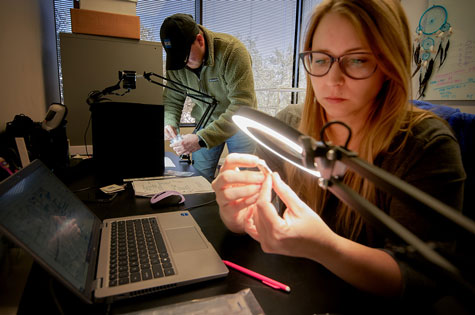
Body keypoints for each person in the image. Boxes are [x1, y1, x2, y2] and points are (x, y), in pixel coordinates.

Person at [212, 0, 465, 304]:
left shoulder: (425, 145)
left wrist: (326, 247)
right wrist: (238, 216)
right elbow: (263, 214)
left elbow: (422, 278)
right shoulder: (288, 126)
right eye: (320, 59)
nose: (332, 80)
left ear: (388, 64)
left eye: (357, 60)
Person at [159, 13, 257, 179]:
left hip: (240, 123)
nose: (183, 65)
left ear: (200, 40)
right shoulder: (177, 63)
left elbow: (242, 105)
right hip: (206, 122)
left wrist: (201, 138)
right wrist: (169, 122)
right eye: (177, 60)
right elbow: (172, 99)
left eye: (186, 58)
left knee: (243, 180)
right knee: (199, 178)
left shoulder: (232, 52)